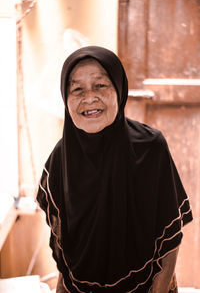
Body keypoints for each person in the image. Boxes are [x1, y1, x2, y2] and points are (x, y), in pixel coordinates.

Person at [36, 46, 193, 293]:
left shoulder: (150, 148)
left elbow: (170, 236)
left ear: (119, 90)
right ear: (66, 99)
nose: (89, 98)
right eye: (77, 89)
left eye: (100, 86)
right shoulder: (61, 158)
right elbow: (63, 242)